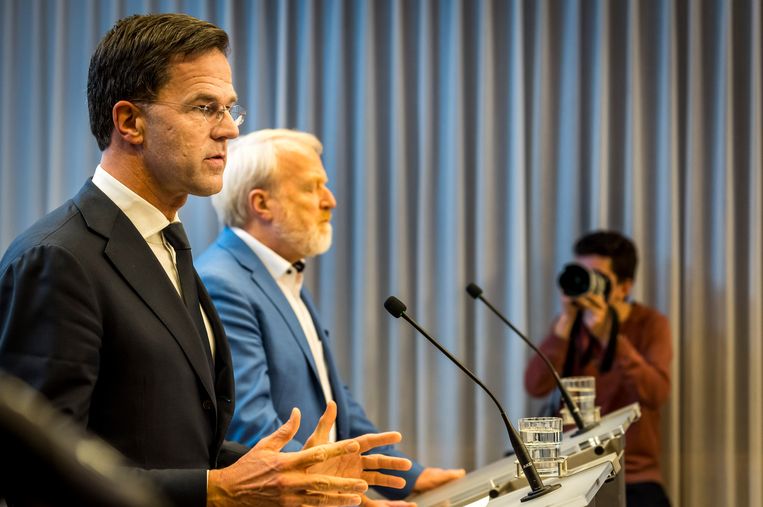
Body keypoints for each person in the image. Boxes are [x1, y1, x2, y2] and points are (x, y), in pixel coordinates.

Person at [0, 14, 411, 507]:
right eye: (204, 108)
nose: (229, 131)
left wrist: (291, 471)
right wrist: (215, 490)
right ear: (129, 122)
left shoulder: (165, 244)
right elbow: (34, 477)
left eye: (230, 110)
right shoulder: (57, 259)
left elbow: (183, 443)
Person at [196, 129, 466, 502]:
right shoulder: (222, 283)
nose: (330, 200)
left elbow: (335, 403)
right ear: (262, 204)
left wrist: (411, 477)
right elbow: (252, 426)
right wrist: (335, 491)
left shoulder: (283, 273)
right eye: (313, 188)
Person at [524, 230, 672, 507]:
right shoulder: (569, 325)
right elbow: (535, 386)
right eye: (582, 274)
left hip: (633, 472)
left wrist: (610, 337)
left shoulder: (650, 324)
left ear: (624, 287)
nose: (587, 286)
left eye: (598, 278)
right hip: (572, 469)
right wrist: (564, 326)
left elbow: (656, 393)